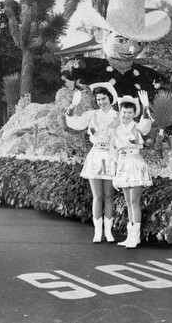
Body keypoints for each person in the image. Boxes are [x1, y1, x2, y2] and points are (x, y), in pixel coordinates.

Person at [60, 0, 171, 99]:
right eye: (122, 41)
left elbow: (158, 80)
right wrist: (76, 66)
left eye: (138, 43)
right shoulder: (99, 67)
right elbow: (78, 68)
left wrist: (161, 83)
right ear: (103, 37)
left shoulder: (140, 72)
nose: (132, 49)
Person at [66, 82, 120, 243]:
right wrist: (73, 106)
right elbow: (74, 123)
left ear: (110, 98)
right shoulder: (91, 115)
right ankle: (97, 233)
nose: (101, 102)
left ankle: (108, 232)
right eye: (98, 99)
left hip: (111, 155)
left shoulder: (118, 116)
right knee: (97, 196)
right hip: (96, 155)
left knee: (109, 195)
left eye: (104, 99)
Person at [110, 90, 152, 249]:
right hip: (123, 164)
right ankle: (130, 236)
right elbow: (114, 152)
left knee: (134, 202)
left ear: (134, 113)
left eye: (129, 112)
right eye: (124, 112)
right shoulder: (117, 130)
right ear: (120, 113)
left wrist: (146, 108)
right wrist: (114, 173)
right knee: (128, 202)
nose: (126, 115)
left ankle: (135, 237)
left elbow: (145, 127)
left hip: (134, 163)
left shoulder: (137, 126)